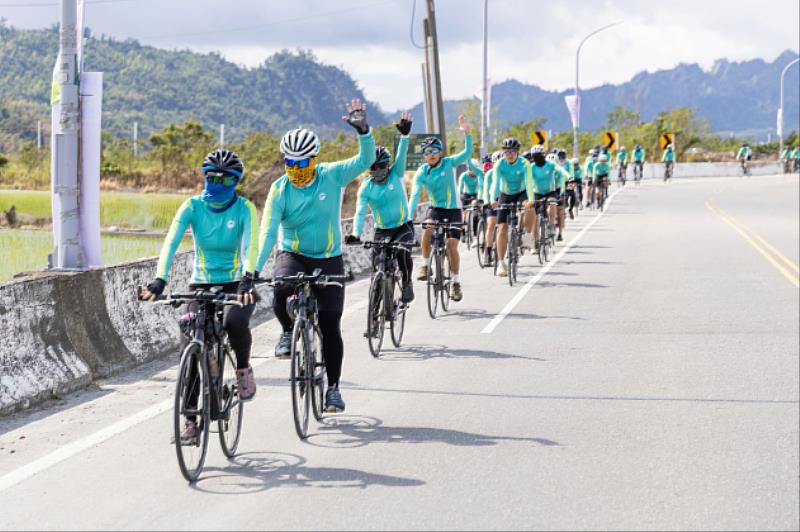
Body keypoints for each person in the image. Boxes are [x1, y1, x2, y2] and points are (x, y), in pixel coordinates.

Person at [255, 99, 375, 413]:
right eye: (289, 163)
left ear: (313, 160)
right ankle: (286, 331)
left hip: (328, 257)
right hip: (292, 252)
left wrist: (362, 130)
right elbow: (268, 232)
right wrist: (252, 270)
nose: (295, 169)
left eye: (301, 163)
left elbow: (366, 159)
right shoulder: (280, 189)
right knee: (281, 284)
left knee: (331, 325)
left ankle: (333, 389)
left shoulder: (331, 176)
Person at [140, 148, 259, 443]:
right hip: (201, 285)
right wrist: (160, 279)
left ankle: (243, 369)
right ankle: (190, 421)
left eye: (224, 178)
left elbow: (251, 245)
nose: (216, 182)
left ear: (235, 182)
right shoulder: (191, 206)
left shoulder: (244, 208)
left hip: (235, 284)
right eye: (210, 176)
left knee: (235, 324)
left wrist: (248, 277)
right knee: (189, 345)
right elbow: (171, 242)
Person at [347, 112, 415, 303]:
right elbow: (360, 212)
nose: (378, 171)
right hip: (382, 230)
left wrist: (404, 136)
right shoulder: (365, 188)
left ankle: (407, 283)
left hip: (403, 226)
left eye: (382, 166)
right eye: (373, 168)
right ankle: (375, 313)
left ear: (388, 165)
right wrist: (356, 234)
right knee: (377, 268)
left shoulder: (396, 173)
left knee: (402, 252)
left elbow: (402, 155)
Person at [409, 114, 473, 302]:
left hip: (453, 210)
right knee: (428, 228)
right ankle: (426, 264)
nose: (431, 154)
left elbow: (467, 153)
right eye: (427, 152)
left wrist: (468, 134)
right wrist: (408, 215)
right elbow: (414, 194)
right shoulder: (422, 171)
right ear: (424, 156)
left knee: (452, 245)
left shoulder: (449, 163)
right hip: (436, 209)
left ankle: (455, 282)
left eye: (434, 150)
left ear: (440, 151)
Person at [489, 137, 534, 277]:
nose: (509, 155)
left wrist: (530, 200)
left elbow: (528, 182)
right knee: (502, 228)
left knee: (530, 209)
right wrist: (492, 199)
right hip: (505, 193)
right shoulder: (499, 164)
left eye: (513, 152)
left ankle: (526, 235)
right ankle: (501, 263)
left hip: (521, 192)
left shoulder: (525, 163)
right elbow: (495, 183)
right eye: (507, 152)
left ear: (518, 153)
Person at [529, 145, 570, 249]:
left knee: (552, 204)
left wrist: (570, 177)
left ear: (543, 155)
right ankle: (532, 243)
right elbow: (525, 178)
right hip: (536, 192)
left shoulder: (550, 164)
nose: (538, 158)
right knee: (533, 219)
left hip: (549, 192)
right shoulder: (531, 167)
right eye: (535, 156)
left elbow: (561, 170)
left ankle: (551, 226)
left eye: (540, 156)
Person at [480, 151, 502, 266]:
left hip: (504, 202)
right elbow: (485, 190)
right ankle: (488, 252)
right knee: (491, 224)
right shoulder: (489, 174)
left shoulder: (507, 173)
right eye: (496, 162)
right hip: (491, 202)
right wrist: (486, 202)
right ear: (492, 163)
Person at [458, 157, 485, 246]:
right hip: (466, 194)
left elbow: (481, 187)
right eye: (469, 168)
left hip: (476, 194)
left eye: (473, 169)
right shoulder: (463, 176)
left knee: (476, 211)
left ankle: (475, 235)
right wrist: (460, 197)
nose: (471, 171)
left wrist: (480, 198)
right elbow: (460, 189)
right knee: (463, 212)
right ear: (467, 168)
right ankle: (462, 231)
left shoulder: (479, 175)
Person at [554, 149, 571, 239]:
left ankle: (560, 233)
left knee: (560, 211)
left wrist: (562, 193)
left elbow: (562, 182)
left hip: (559, 189)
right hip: (548, 191)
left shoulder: (560, 171)